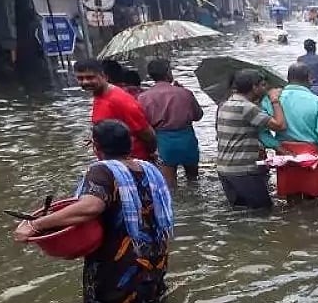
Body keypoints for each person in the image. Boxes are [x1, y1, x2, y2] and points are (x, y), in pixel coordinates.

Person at [12, 120, 173, 303]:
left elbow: (91, 206)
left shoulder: (102, 171)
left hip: (118, 269)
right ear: (129, 144)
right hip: (153, 261)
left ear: (97, 147)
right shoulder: (148, 169)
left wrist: (35, 224)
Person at [215, 69, 286, 209]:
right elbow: (280, 125)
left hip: (225, 170)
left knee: (241, 212)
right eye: (263, 85)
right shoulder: (247, 108)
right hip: (243, 171)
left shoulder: (224, 104)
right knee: (264, 211)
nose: (265, 89)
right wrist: (275, 100)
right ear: (254, 87)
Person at [268, 63, 318, 200]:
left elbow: (262, 130)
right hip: (310, 155)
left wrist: (275, 145)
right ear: (309, 78)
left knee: (292, 197)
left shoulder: (273, 100)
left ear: (287, 78)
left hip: (284, 153)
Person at [74, 58, 157, 162]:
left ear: (104, 76)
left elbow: (147, 133)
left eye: (90, 77)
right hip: (112, 162)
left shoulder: (120, 100)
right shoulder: (99, 94)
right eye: (80, 78)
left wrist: (151, 156)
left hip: (131, 165)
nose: (85, 82)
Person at [137, 59, 203, 188]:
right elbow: (198, 116)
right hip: (187, 139)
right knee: (193, 180)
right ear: (168, 72)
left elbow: (144, 124)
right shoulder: (185, 93)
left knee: (169, 185)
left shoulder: (143, 97)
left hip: (164, 142)